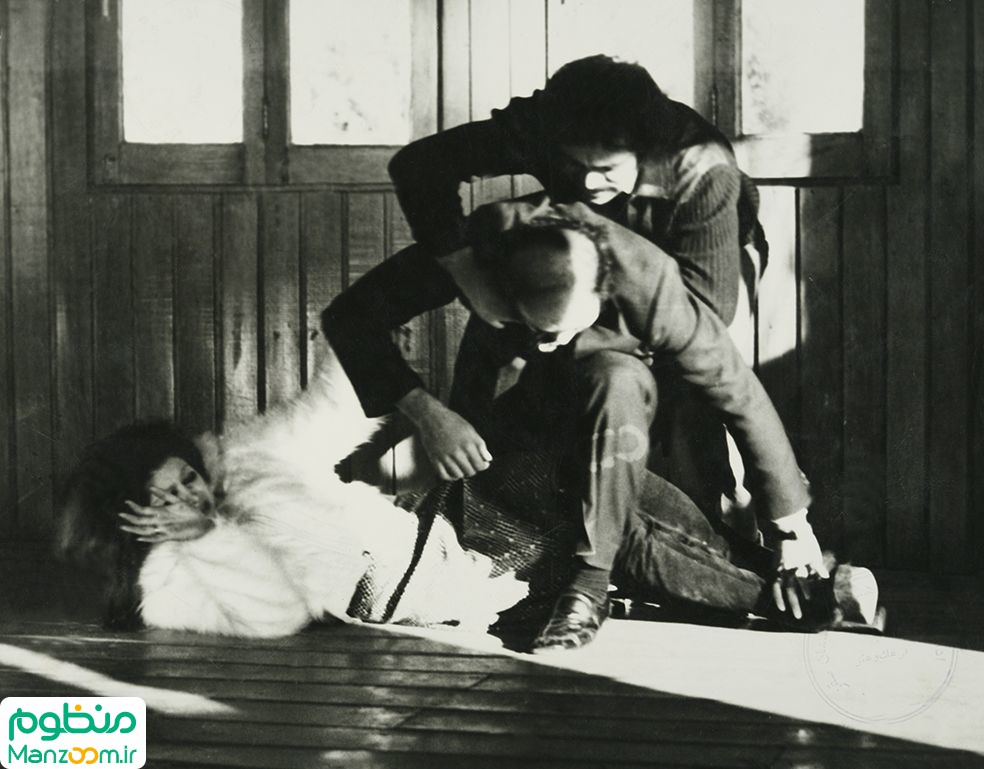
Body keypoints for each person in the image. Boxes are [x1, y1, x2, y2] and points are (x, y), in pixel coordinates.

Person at [322, 197, 880, 652]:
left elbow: (737, 392)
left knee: (615, 406)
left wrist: (790, 528)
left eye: (566, 329)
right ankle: (811, 596)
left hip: (613, 433)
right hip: (503, 448)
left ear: (605, 288)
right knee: (600, 513)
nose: (551, 345)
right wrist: (428, 412)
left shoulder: (652, 285)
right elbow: (349, 316)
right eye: (535, 330)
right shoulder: (477, 251)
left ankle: (615, 585)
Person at [55, 356, 527, 637]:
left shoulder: (240, 461)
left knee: (503, 411)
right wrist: (205, 537)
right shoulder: (164, 585)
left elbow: (324, 417)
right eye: (165, 500)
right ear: (134, 521)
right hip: (419, 582)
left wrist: (357, 343)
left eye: (188, 480)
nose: (189, 500)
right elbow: (277, 612)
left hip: (421, 521)